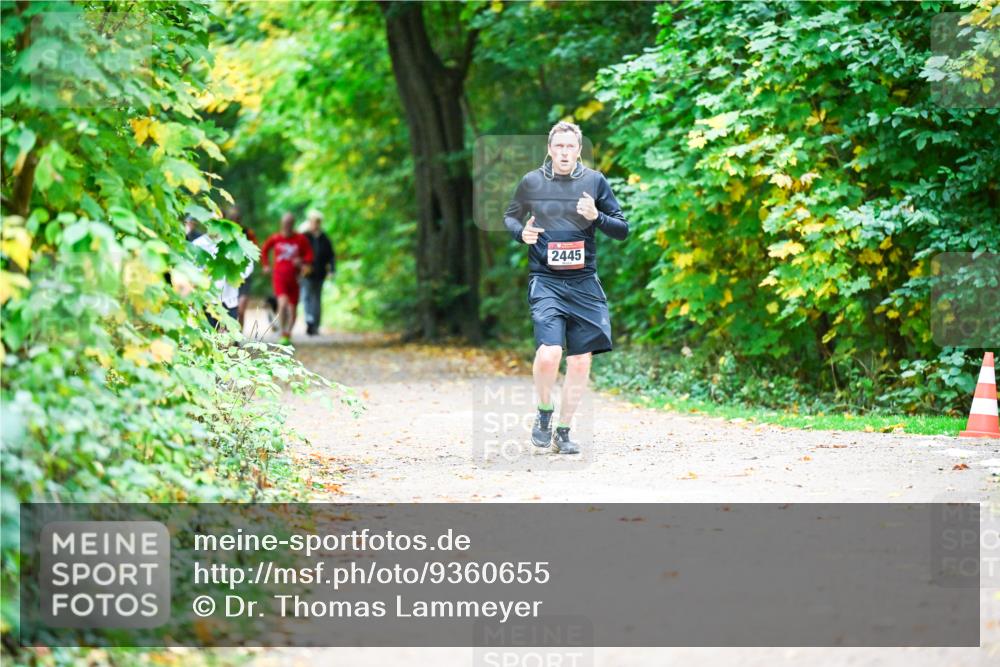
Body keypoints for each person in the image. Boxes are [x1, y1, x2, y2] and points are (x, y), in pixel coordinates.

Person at [503, 121, 630, 454]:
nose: (564, 152)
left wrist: (596, 216)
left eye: (570, 147)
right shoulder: (532, 182)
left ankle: (564, 429)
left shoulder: (594, 182)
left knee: (580, 361)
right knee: (549, 354)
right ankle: (544, 412)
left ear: (578, 150)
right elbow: (510, 217)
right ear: (549, 148)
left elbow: (622, 229)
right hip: (545, 280)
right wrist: (521, 234)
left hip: (584, 282)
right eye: (558, 146)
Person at [260, 212, 313, 346]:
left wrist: (301, 261)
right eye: (285, 223)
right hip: (279, 276)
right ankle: (282, 332)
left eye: (290, 224)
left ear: (293, 224)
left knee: (293, 309)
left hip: (295, 278)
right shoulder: (276, 238)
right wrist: (266, 265)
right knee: (282, 304)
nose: (287, 226)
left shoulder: (300, 239)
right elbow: (264, 250)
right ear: (281, 224)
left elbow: (310, 256)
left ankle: (288, 333)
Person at [301, 210, 336, 336]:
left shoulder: (324, 238)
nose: (314, 224)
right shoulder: (304, 237)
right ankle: (309, 321)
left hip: (320, 273)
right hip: (306, 273)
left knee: (316, 298)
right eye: (312, 221)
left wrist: (332, 270)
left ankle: (315, 324)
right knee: (306, 297)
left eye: (317, 221)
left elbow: (331, 255)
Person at [225, 206, 257, 330]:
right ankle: (228, 336)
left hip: (244, 275)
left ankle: (238, 336)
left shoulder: (248, 233)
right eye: (232, 219)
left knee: (241, 308)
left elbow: (255, 251)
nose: (235, 221)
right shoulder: (223, 233)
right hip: (227, 277)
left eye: (237, 219)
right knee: (229, 308)